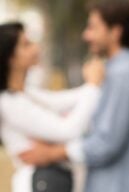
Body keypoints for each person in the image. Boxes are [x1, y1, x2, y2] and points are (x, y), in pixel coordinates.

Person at [20, 1, 129, 192]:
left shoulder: (124, 74)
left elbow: (106, 142)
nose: (86, 35)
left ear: (116, 31)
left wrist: (52, 154)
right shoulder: (115, 71)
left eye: (93, 28)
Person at [0, 22, 103, 192]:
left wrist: (94, 82)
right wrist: (93, 85)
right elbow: (68, 129)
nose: (35, 48)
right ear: (11, 58)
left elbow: (64, 100)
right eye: (26, 45)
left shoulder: (26, 94)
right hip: (38, 183)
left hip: (51, 181)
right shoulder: (8, 103)